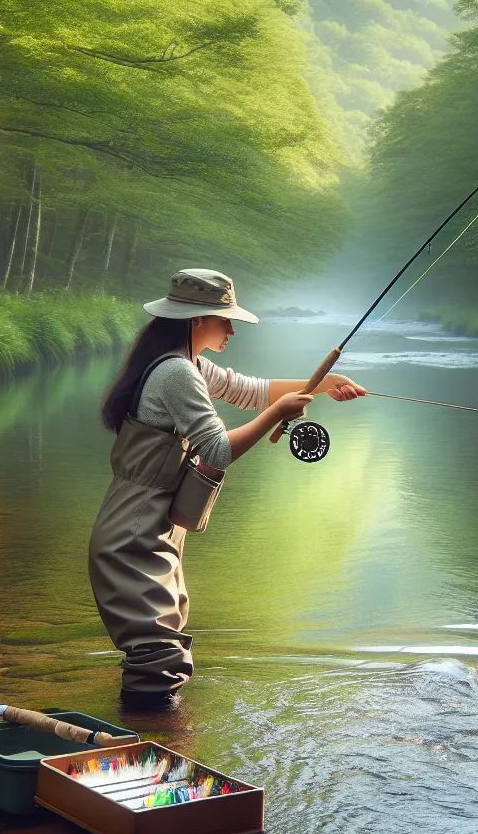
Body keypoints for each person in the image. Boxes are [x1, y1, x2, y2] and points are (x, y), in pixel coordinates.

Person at [91, 268, 365, 711]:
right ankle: (151, 750)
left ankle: (154, 743)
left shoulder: (187, 364)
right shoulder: (177, 373)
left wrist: (325, 384)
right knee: (157, 657)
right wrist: (277, 413)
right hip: (134, 531)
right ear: (196, 319)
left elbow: (248, 391)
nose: (232, 329)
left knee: (161, 646)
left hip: (148, 523)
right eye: (225, 320)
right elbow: (216, 450)